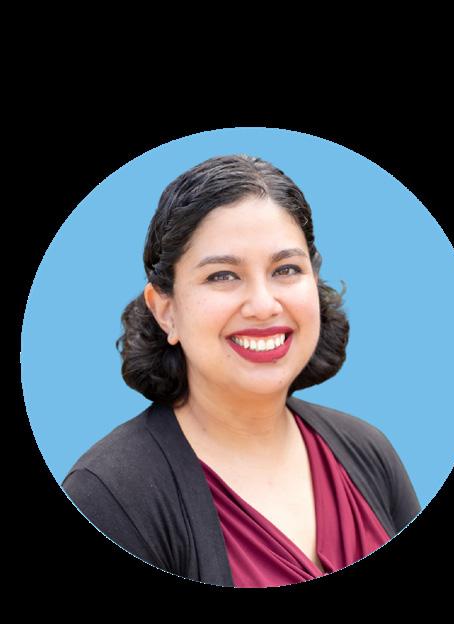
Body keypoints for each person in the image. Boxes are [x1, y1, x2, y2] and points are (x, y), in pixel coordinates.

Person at [61, 154, 421, 588]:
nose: (264, 305)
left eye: (286, 269)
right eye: (223, 276)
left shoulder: (368, 452)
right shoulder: (110, 495)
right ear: (166, 310)